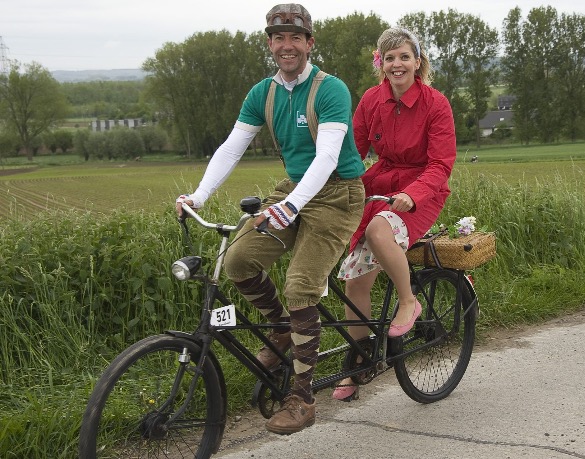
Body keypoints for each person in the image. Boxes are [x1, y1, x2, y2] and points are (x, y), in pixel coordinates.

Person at [175, 3, 365, 434]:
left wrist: (291, 207)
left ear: (309, 43)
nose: (286, 45)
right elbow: (231, 146)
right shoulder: (263, 93)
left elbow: (328, 156)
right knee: (239, 260)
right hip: (293, 190)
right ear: (269, 44)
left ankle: (301, 397)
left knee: (301, 285)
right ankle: (281, 330)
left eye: (295, 37)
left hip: (336, 195)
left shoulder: (330, 89)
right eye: (278, 37)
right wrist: (200, 195)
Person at [332, 27, 457, 401]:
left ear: (417, 62)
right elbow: (352, 151)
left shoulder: (436, 104)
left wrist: (412, 194)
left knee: (378, 231)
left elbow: (440, 164)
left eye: (404, 56)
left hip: (423, 191)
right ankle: (359, 362)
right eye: (390, 58)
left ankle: (408, 300)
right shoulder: (372, 100)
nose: (397, 64)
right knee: (354, 283)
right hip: (380, 185)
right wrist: (325, 183)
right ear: (381, 64)